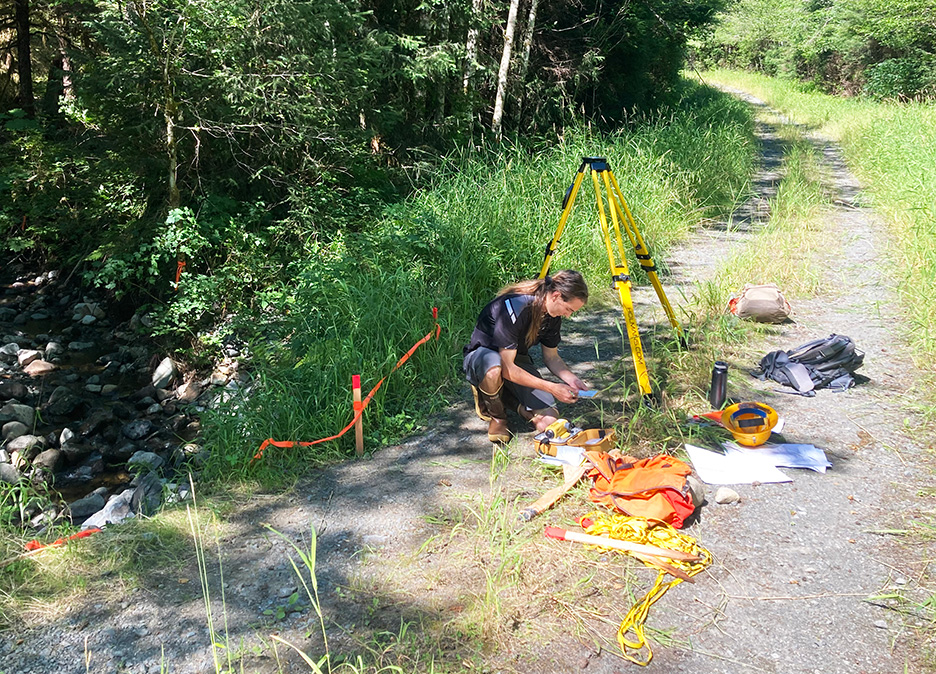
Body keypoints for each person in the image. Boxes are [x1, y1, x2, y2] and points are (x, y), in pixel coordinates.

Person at [463, 269, 590, 443]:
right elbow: (507, 369)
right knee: (494, 370)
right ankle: (497, 416)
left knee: (550, 420)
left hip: (515, 360)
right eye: (568, 309)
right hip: (484, 357)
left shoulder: (552, 315)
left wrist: (572, 380)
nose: (568, 315)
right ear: (556, 295)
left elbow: (552, 358)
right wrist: (552, 387)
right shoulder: (515, 306)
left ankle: (515, 405)